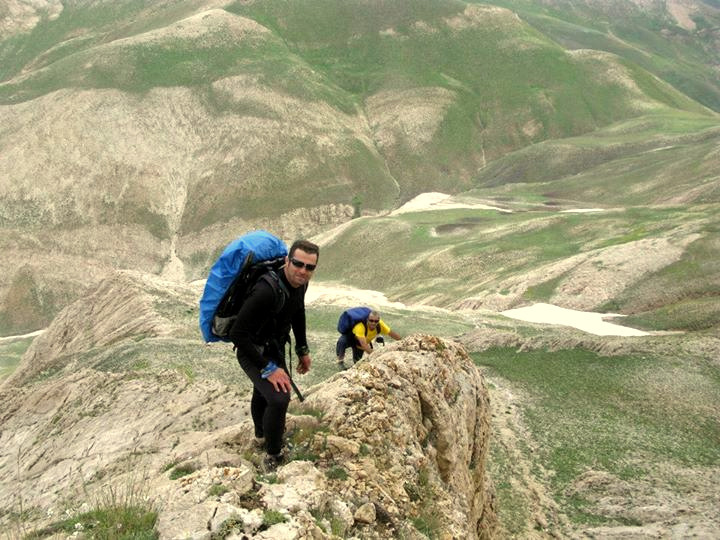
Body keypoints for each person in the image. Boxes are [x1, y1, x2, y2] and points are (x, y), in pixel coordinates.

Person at [229, 239, 319, 471]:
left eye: (310, 267)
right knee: (279, 398)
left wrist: (302, 349)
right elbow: (238, 334)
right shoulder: (265, 291)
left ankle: (261, 436)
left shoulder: (301, 284)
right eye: (298, 264)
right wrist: (268, 368)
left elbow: (298, 311)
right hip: (252, 351)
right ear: (288, 261)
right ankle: (273, 456)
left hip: (273, 347)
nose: (303, 271)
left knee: (264, 392)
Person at [336, 309, 401, 370]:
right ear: (367, 319)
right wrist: (377, 356)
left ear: (378, 321)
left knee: (357, 363)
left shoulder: (381, 325)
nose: (373, 323)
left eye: (376, 321)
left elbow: (393, 334)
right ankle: (340, 361)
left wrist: (403, 342)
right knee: (342, 342)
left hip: (359, 345)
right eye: (371, 320)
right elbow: (365, 346)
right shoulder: (360, 326)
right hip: (351, 339)